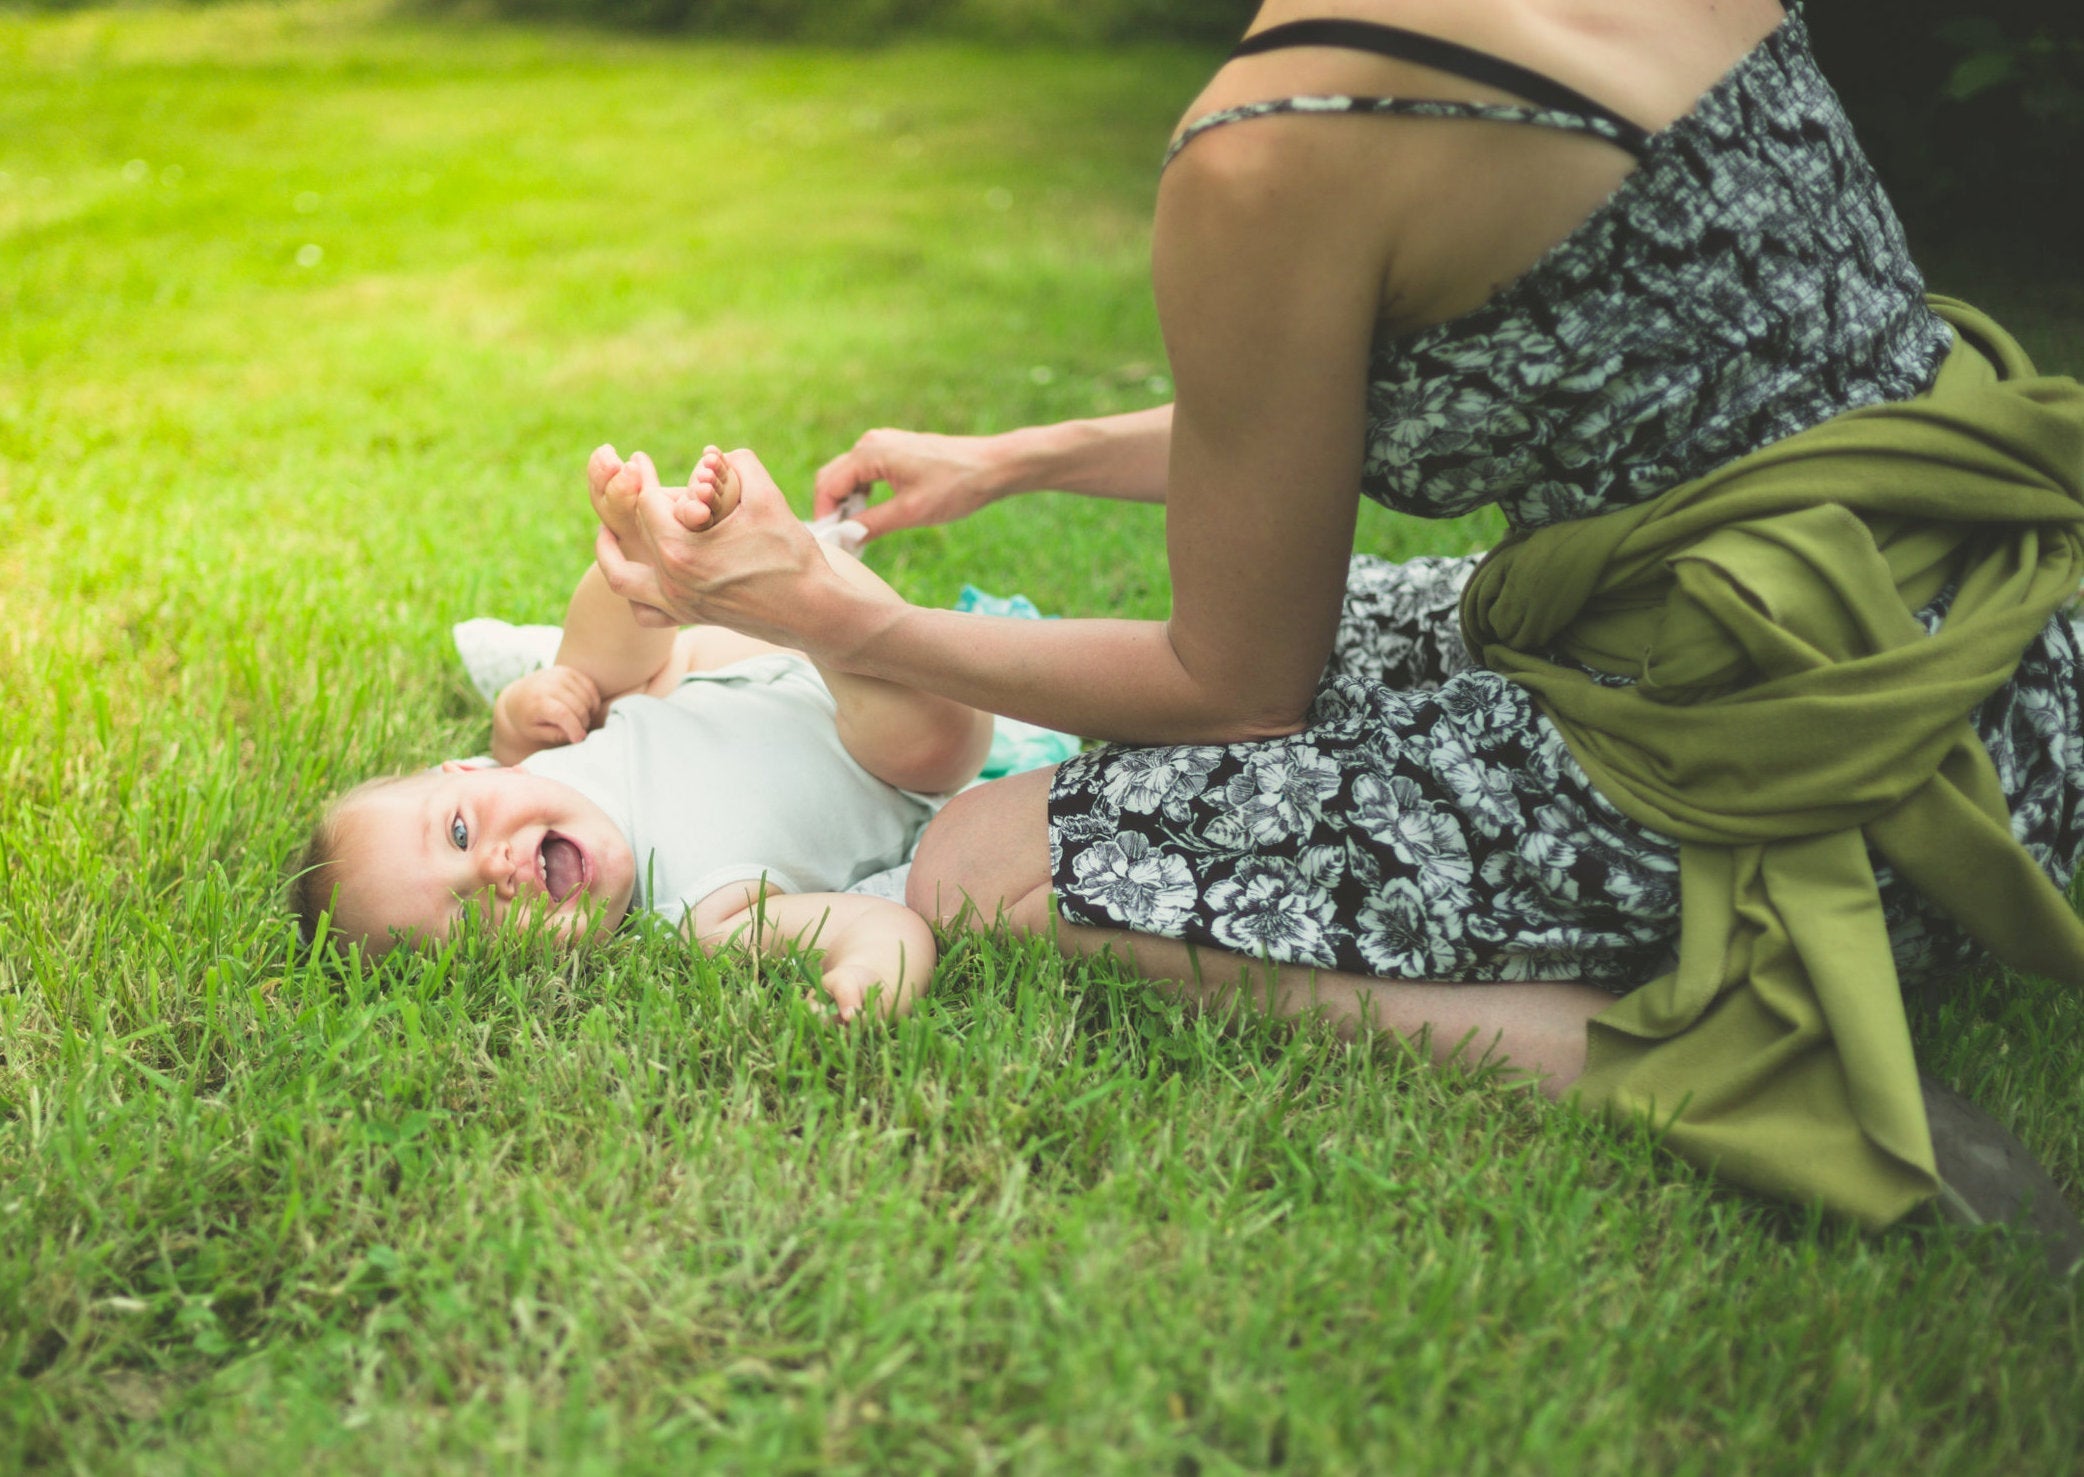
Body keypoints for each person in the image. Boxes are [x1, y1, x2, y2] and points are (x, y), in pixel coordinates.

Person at [584, 1, 2084, 1264]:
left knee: (982, 860)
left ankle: (1692, 1062)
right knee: (1346, 626)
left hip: (1831, 774)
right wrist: (1019, 455)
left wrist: (843, 617)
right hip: (2021, 661)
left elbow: (1231, 689)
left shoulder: (1273, 142)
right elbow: (1368, 388)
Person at [293, 447, 993, 1021]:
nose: (491, 870)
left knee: (594, 675)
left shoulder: (544, 766)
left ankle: (643, 557)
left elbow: (524, 736)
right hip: (880, 745)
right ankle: (809, 589)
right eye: (470, 921)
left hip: (742, 665)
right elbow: (870, 923)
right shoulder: (702, 921)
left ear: (469, 772)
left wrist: (519, 707)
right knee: (929, 739)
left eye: (457, 834)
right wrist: (870, 976)